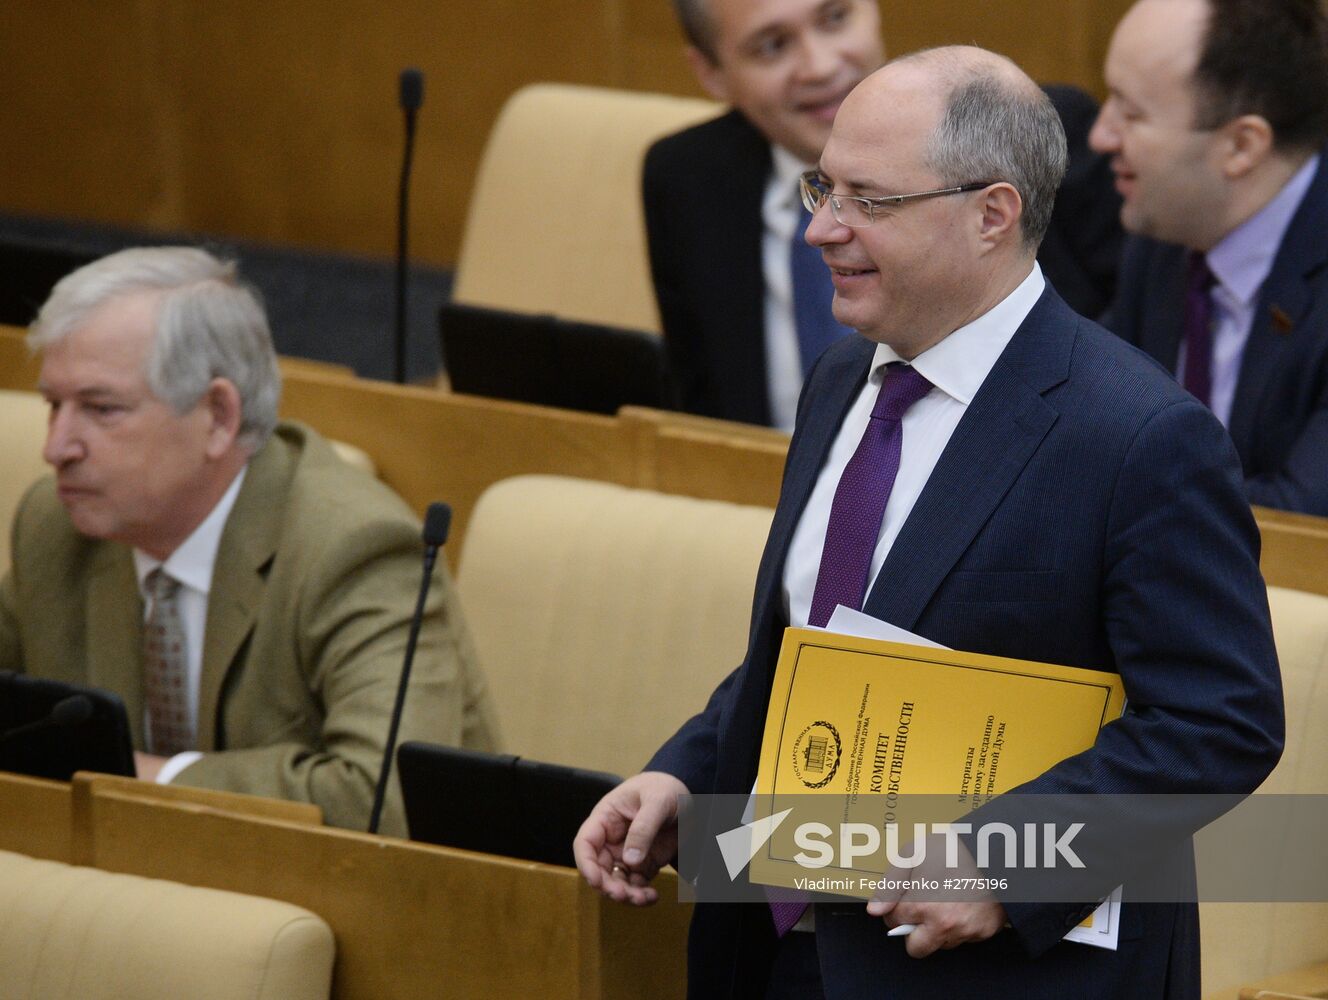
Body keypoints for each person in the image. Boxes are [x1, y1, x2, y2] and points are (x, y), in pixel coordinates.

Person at [577, 46, 1282, 999]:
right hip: (783, 944)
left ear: (993, 213)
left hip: (998, 973)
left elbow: (1218, 721)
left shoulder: (1142, 438)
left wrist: (1008, 863)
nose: (821, 227)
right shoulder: (840, 381)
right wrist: (689, 774)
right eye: (823, 187)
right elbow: (816, 642)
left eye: (869, 201)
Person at [0, 247, 498, 835]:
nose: (56, 448)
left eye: (100, 408)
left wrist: (145, 778)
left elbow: (382, 800)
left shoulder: (355, 550)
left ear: (217, 416)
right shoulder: (58, 524)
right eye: (54, 405)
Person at [646, 0, 1123, 429]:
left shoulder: (1024, 142)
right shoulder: (685, 178)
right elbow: (697, 411)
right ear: (711, 74)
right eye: (772, 47)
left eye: (834, 18)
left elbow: (1129, 367)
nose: (820, 66)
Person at [1092, 0, 1328, 515]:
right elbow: (1084, 427)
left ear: (1241, 147)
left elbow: (1303, 519)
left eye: (1130, 113)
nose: (1100, 135)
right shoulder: (1165, 230)